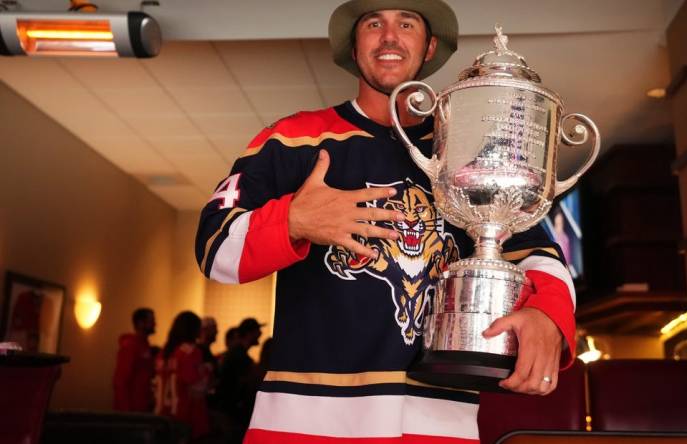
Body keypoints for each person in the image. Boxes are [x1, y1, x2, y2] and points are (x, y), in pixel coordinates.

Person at [195, 1, 577, 442]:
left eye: (407, 23)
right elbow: (214, 247)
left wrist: (547, 315)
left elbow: (541, 255)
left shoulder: (468, 153)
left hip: (437, 424)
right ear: (354, 47)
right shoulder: (291, 140)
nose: (390, 36)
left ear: (429, 45)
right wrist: (293, 221)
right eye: (374, 23)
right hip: (303, 423)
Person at [153, 311, 211, 440]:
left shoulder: (163, 353)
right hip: (184, 415)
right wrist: (208, 370)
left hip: (161, 414)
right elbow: (198, 388)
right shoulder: (190, 352)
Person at [215, 318, 264, 443]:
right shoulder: (240, 356)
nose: (260, 334)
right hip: (232, 414)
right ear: (249, 333)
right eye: (257, 330)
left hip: (229, 412)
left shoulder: (236, 354)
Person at [113, 307, 156, 412]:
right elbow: (121, 380)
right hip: (132, 408)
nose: (155, 324)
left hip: (143, 406)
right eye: (151, 321)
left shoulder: (145, 346)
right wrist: (126, 411)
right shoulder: (130, 345)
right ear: (141, 323)